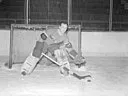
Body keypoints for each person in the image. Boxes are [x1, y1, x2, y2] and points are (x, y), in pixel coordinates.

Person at [21, 23, 86, 76]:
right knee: (36, 54)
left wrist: (76, 56)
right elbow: (42, 37)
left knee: (60, 53)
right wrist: (38, 47)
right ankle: (25, 69)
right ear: (59, 27)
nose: (64, 29)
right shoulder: (51, 30)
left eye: (65, 28)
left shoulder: (65, 37)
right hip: (44, 44)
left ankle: (65, 70)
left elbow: (69, 48)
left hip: (53, 46)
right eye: (63, 27)